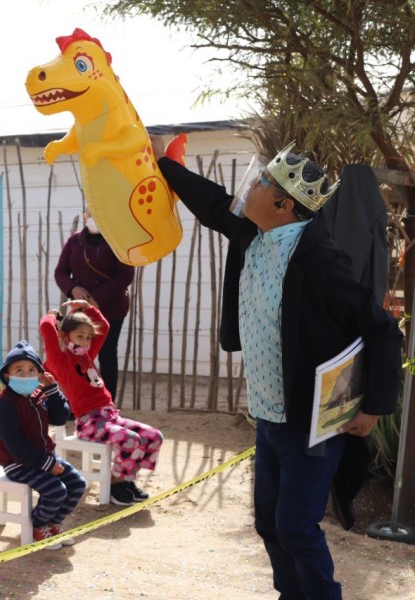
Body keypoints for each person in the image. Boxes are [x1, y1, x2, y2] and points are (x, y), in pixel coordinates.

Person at [153, 137, 403, 599]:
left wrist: (374, 407)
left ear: (284, 204)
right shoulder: (254, 231)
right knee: (269, 523)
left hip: (312, 423)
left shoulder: (322, 262)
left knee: (296, 527)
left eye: (263, 181)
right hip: (268, 418)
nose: (251, 186)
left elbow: (384, 329)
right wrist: (162, 166)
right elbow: (212, 202)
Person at [39, 300, 164, 506]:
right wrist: (53, 316)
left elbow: (104, 327)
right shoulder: (59, 361)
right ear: (64, 336)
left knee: (153, 436)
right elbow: (46, 327)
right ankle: (115, 484)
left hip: (109, 416)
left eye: (88, 338)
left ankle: (126, 479)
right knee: (130, 439)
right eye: (80, 336)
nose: (86, 341)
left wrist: (87, 307)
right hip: (89, 423)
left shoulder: (86, 356)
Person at [0, 340, 87, 550]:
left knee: (77, 484)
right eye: (19, 370)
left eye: (31, 370)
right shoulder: (5, 405)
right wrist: (46, 464)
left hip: (44, 457)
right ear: (7, 376)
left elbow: (60, 418)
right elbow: (16, 446)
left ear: (39, 374)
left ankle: (53, 522)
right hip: (18, 463)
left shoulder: (38, 395)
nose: (26, 375)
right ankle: (37, 526)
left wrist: (53, 390)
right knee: (56, 491)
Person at [54, 211, 135, 399]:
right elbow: (61, 272)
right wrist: (73, 289)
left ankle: (107, 402)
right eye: (91, 213)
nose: (94, 216)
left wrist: (96, 299)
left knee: (106, 353)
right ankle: (78, 401)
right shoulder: (75, 241)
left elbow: (125, 276)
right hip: (80, 312)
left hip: (111, 308)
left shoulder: (117, 240)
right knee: (78, 354)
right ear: (84, 215)